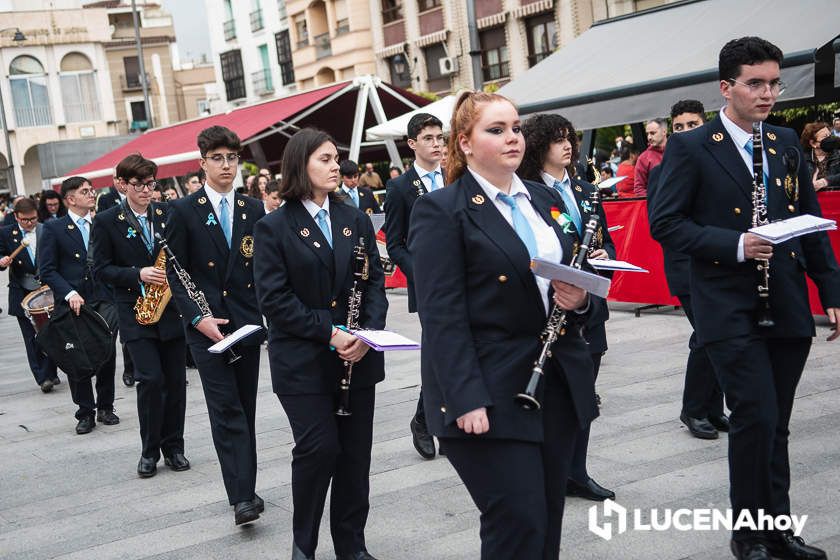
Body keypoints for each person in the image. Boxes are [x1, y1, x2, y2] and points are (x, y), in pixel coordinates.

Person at [649, 36, 840, 560]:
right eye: (755, 83)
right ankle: (749, 535)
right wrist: (734, 243)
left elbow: (810, 220)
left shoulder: (784, 142)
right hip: (726, 301)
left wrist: (831, 289)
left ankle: (778, 530)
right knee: (753, 413)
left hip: (784, 299)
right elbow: (664, 223)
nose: (768, 93)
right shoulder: (691, 146)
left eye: (774, 82)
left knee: (776, 420)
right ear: (726, 87)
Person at [409, 91, 597, 558]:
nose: (512, 137)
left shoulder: (541, 195)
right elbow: (442, 315)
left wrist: (579, 300)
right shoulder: (443, 209)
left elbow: (568, 276)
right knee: (517, 523)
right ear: (465, 143)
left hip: (553, 380)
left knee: (547, 521)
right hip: (488, 387)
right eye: (496, 130)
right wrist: (466, 398)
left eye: (515, 127)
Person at [255, 128, 387, 560]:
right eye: (325, 159)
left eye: (336, 159)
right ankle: (304, 544)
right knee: (318, 448)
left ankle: (353, 545)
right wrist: (330, 331)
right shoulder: (273, 226)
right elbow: (273, 299)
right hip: (303, 359)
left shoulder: (356, 218)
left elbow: (374, 287)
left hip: (357, 358)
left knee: (354, 457)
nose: (335, 167)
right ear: (301, 165)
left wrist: (367, 335)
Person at [165, 125, 266, 526]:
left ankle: (247, 484)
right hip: (206, 326)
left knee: (246, 407)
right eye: (218, 159)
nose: (226, 166)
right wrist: (197, 316)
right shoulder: (183, 211)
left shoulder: (253, 209)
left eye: (232, 158)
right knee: (225, 409)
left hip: (245, 323)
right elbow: (175, 271)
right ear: (202, 162)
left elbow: (262, 267)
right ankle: (242, 496)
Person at [519, 112, 616, 502]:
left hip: (586, 304)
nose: (567, 146)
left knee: (584, 394)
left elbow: (606, 239)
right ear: (539, 146)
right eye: (558, 140)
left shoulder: (586, 188)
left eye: (570, 139)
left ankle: (577, 470)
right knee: (549, 395)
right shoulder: (525, 191)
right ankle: (549, 469)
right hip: (548, 307)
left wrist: (604, 252)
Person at [92, 154, 189, 478]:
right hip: (135, 312)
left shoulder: (167, 213)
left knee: (176, 382)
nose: (148, 191)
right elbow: (101, 268)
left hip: (171, 311)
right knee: (151, 380)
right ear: (122, 184)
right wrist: (138, 273)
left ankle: (174, 446)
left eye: (151, 184)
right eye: (140, 185)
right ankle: (149, 451)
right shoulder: (107, 220)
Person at [647, 99, 727, 441]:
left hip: (720, 265)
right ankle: (694, 409)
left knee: (716, 335)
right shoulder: (661, 172)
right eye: (678, 127)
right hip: (686, 266)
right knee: (707, 335)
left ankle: (711, 408)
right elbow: (661, 224)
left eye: (691, 125)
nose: (684, 132)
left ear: (705, 125)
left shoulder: (718, 162)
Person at [384, 112, 445, 460]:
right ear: (412, 144)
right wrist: (419, 271)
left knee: (453, 351)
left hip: (462, 279)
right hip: (429, 284)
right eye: (429, 139)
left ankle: (436, 419)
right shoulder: (400, 188)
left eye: (440, 137)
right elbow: (395, 244)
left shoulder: (454, 176)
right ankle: (424, 420)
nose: (436, 144)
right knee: (437, 352)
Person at [39, 176, 119, 435]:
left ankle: (106, 406)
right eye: (85, 191)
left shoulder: (102, 223)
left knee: (107, 352)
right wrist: (69, 293)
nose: (91, 194)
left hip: (104, 299)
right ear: (70, 199)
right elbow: (47, 270)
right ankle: (85, 411)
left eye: (91, 190)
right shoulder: (54, 229)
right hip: (74, 302)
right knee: (77, 355)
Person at [0, 198, 59, 392]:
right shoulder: (6, 233)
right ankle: (42, 378)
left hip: (47, 291)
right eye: (25, 220)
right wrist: (2, 260)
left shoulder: (46, 230)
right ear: (16, 216)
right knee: (30, 338)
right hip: (22, 291)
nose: (30, 223)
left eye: (33, 218)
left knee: (51, 333)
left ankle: (52, 371)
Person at [800, 121, 840, 191]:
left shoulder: (838, 154)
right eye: (825, 137)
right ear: (813, 143)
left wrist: (825, 181)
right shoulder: (802, 159)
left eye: (830, 136)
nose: (830, 139)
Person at [633, 118, 668, 196]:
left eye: (652, 133)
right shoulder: (643, 158)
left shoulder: (677, 151)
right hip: (658, 206)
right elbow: (639, 189)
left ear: (664, 132)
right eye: (647, 134)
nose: (649, 137)